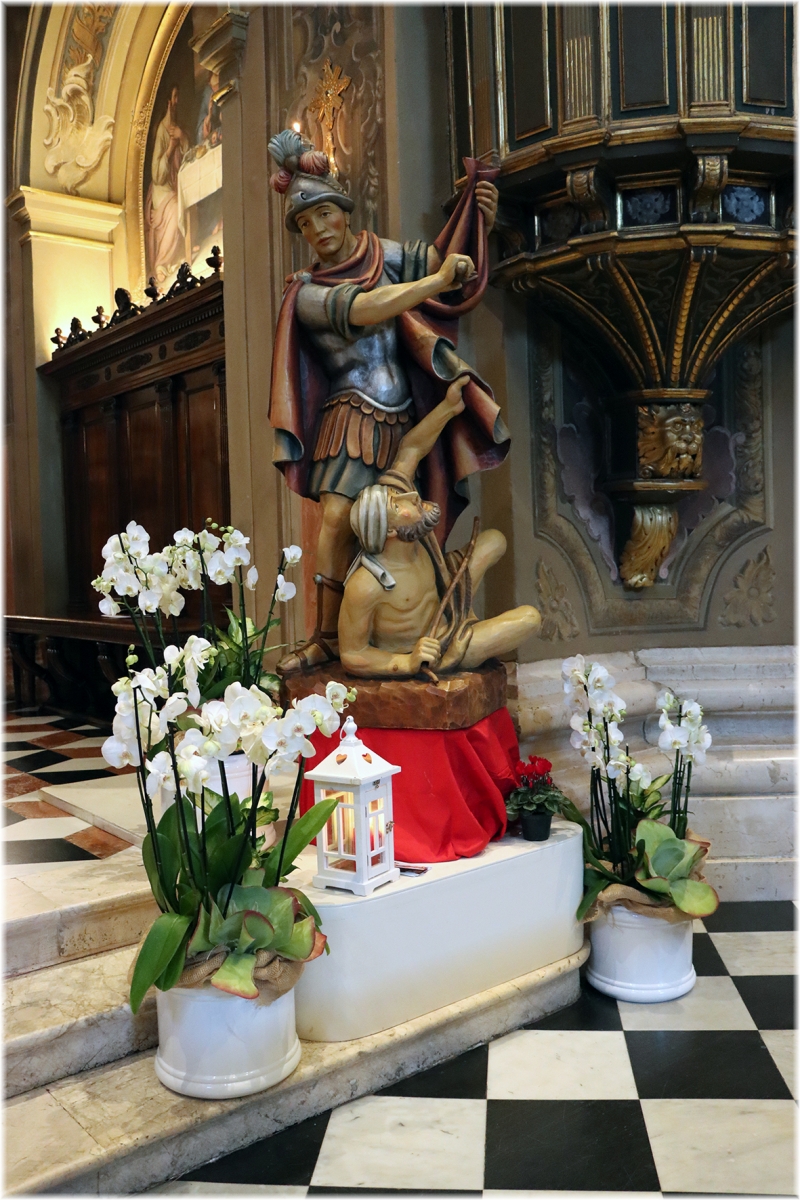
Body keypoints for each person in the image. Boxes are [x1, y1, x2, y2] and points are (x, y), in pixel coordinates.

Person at [267, 128, 508, 675]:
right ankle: (328, 637)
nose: (317, 229)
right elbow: (367, 309)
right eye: (305, 224)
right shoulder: (304, 294)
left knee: (407, 525)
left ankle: (412, 630)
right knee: (336, 520)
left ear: (343, 212)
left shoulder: (385, 254)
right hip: (350, 417)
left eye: (324, 214)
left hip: (404, 415)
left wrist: (479, 221)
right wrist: (436, 280)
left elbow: (443, 261)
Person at [339, 376, 541, 677]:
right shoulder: (365, 587)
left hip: (448, 593)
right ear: (389, 531)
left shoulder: (408, 531)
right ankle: (461, 652)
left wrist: (448, 407)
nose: (411, 496)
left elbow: (411, 449)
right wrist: (408, 662)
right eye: (398, 504)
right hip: (442, 648)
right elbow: (352, 655)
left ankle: (463, 612)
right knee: (530, 618)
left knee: (494, 541)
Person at [145, 86, 190, 283]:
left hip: (173, 183)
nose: (177, 101)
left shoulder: (175, 127)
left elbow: (187, 153)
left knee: (187, 195)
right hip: (161, 190)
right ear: (168, 103)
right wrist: (171, 148)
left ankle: (183, 247)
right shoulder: (162, 131)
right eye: (174, 97)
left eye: (178, 96)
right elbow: (157, 175)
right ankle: (161, 262)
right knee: (175, 205)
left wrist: (182, 137)